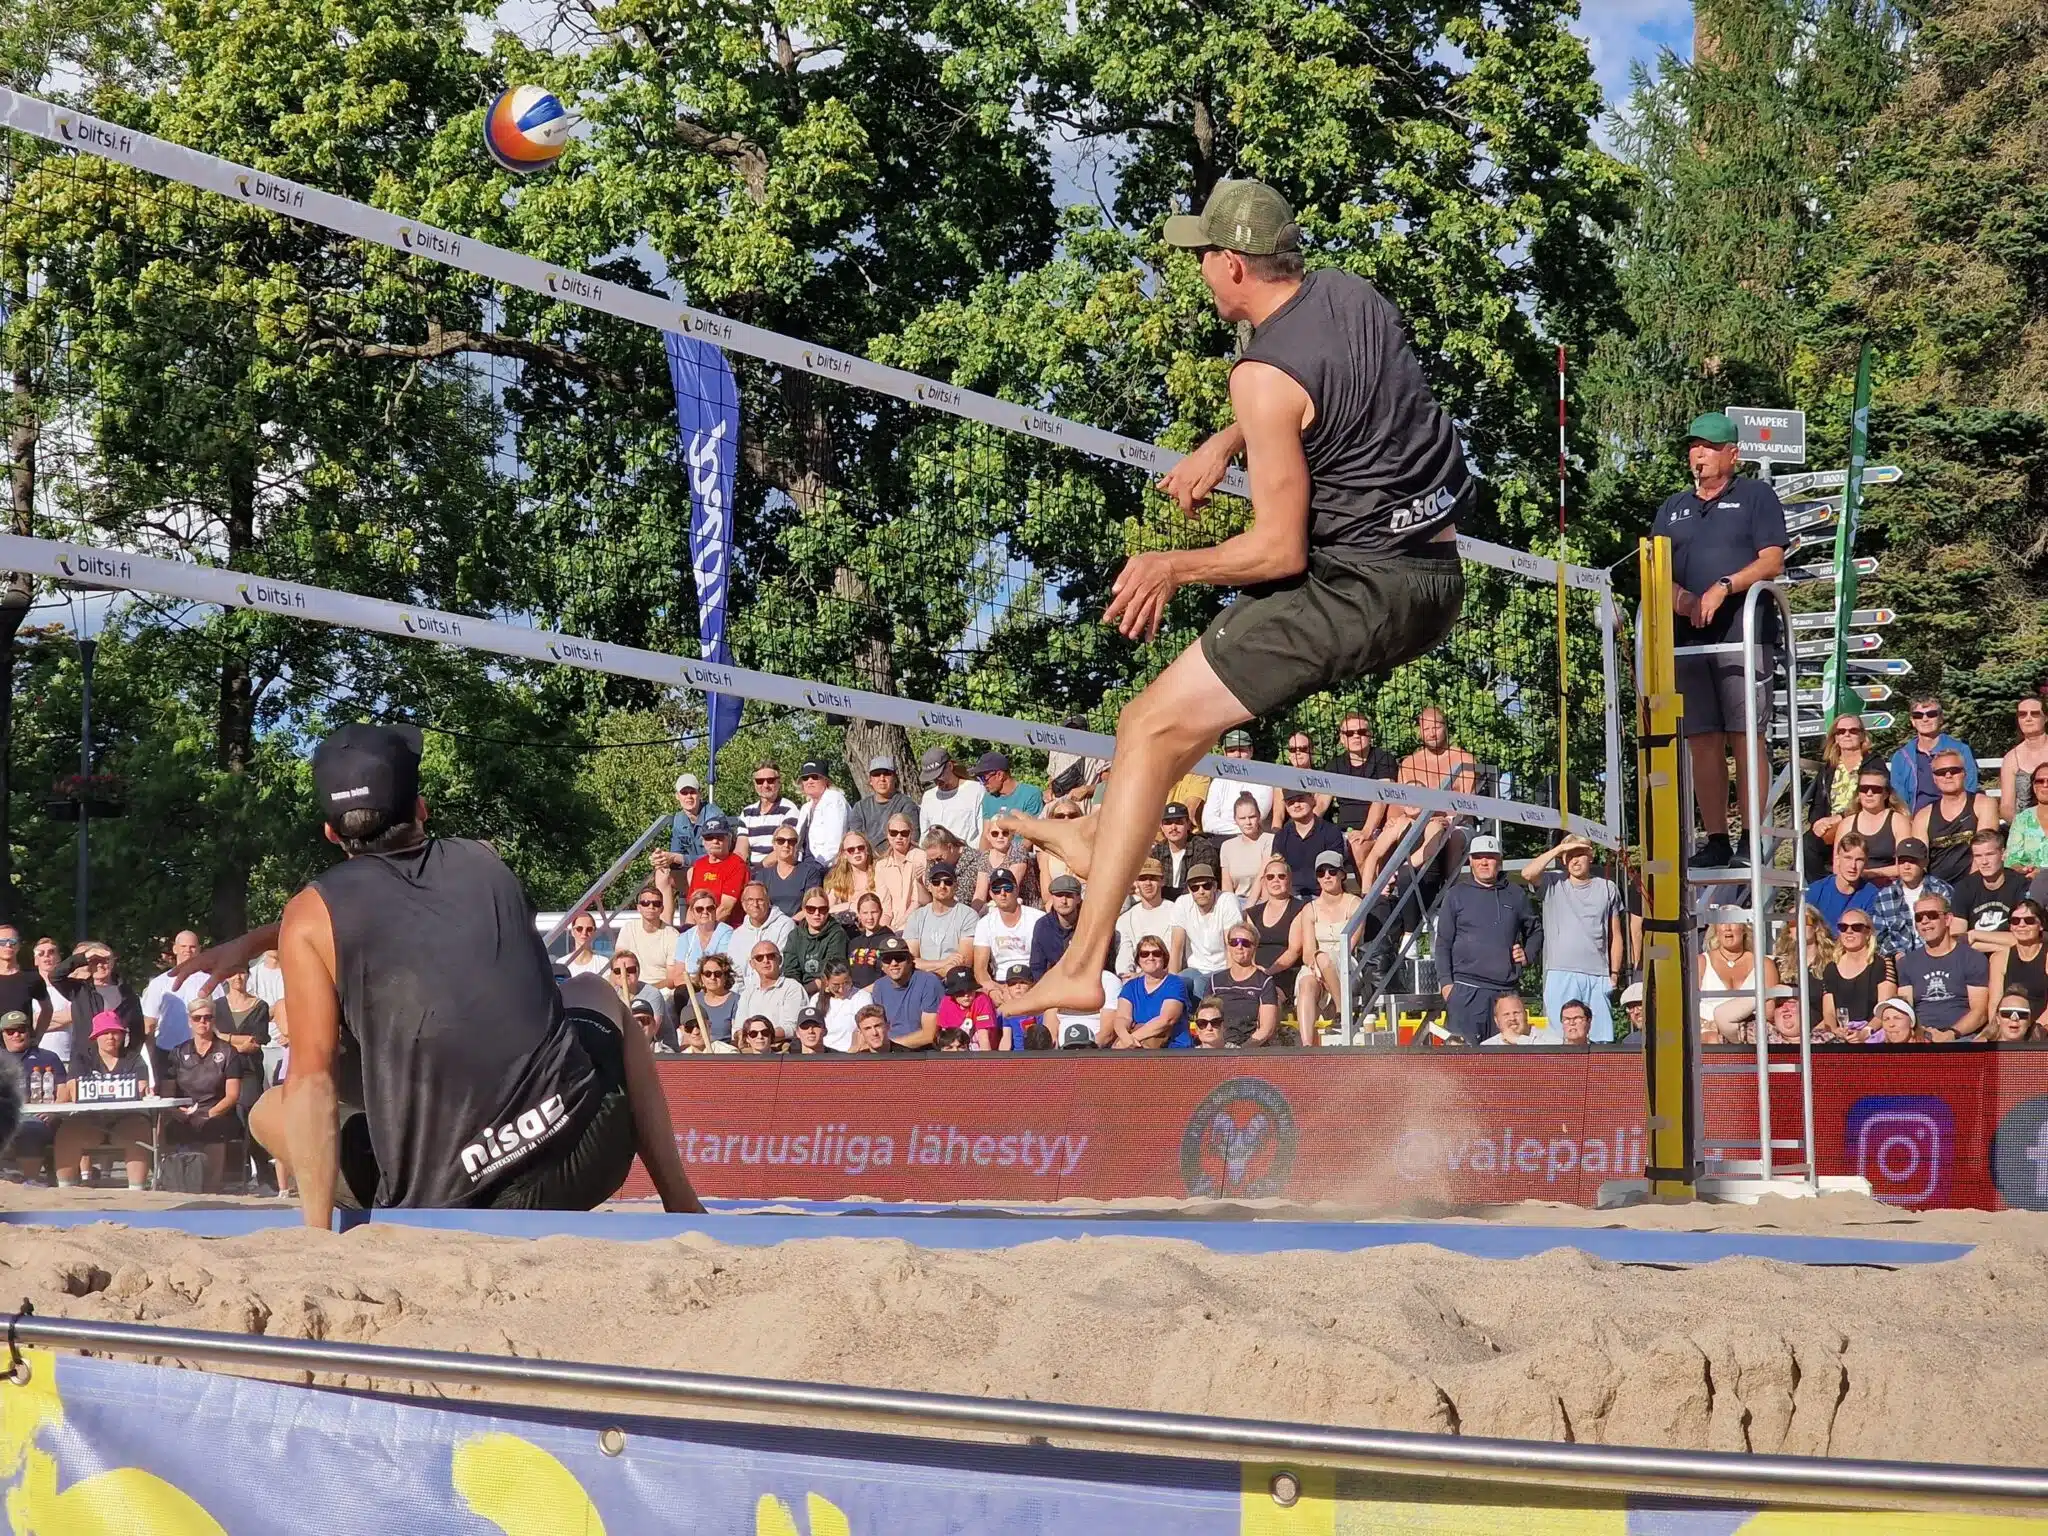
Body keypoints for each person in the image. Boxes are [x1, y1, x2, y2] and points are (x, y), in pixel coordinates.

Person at [992, 179, 1469, 1022]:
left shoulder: (1260, 373)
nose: (1199, 273)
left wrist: (1169, 565)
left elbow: (1276, 548)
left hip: (1359, 589)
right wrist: (1226, 438)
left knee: (1144, 720)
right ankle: (1103, 833)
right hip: (1435, 571)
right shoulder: (1350, 294)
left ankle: (1080, 960)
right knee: (1178, 723)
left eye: (1203, 258)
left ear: (1235, 264)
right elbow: (1317, 394)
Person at [180, 724, 701, 1224]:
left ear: (331, 833)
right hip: (582, 1158)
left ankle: (362, 1201)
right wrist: (259, 940)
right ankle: (681, 1201)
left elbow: (312, 1080)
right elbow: (403, 915)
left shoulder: (311, 914)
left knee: (272, 1108)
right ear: (421, 809)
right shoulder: (486, 862)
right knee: (593, 989)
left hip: (441, 1198)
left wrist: (318, 1237)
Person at [1652, 411, 1789, 869]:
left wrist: (1724, 586)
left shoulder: (1756, 496)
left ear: (1733, 453)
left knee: (1745, 734)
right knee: (1702, 739)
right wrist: (1683, 600)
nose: (1698, 454)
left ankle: (1752, 835)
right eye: (1694, 446)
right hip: (1688, 641)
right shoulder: (1672, 508)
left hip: (1742, 635)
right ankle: (1715, 837)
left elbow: (1772, 562)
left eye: (1708, 447)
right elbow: (1657, 573)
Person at [1435, 836, 1540, 1045]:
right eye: (1478, 857)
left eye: (1490, 858)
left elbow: (1536, 930)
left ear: (1499, 861)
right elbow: (1443, 943)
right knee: (1463, 1061)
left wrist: (1528, 954)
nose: (1484, 862)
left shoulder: (1515, 895)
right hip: (1466, 991)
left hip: (1505, 992)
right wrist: (1447, 984)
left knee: (1506, 1061)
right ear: (1470, 861)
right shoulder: (1456, 895)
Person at [1520, 834, 1623, 1042]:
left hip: (1597, 974)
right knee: (1560, 1039)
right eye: (1570, 856)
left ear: (1590, 857)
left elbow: (1616, 934)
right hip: (1560, 973)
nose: (1575, 860)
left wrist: (1613, 974)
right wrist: (1559, 849)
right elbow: (1527, 873)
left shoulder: (1607, 888)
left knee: (1601, 1040)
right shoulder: (1553, 882)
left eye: (1580, 854)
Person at [53, 1011, 151, 1189]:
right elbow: (74, 1091)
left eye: (115, 1032)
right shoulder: (82, 1058)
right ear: (96, 1036)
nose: (111, 1037)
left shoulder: (133, 1058)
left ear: (122, 1035)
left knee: (140, 1130)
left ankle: (138, 1190)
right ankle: (65, 1189)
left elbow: (142, 1087)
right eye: (105, 1032)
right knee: (67, 1131)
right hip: (90, 1119)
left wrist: (102, 1088)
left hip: (126, 1118)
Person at [162, 997, 243, 1190]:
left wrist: (210, 1113)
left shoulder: (228, 1052)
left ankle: (212, 1185)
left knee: (213, 1126)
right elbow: (167, 1091)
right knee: (165, 1126)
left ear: (214, 1020)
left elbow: (232, 1095)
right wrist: (175, 1111)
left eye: (207, 1017)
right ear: (189, 1020)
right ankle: (173, 1180)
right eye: (197, 1018)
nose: (202, 1022)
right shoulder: (178, 1052)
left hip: (216, 1110)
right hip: (183, 1109)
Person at [1895, 892, 1989, 1042]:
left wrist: (1950, 1034)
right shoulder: (1907, 963)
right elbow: (1906, 1009)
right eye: (1919, 917)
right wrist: (1918, 1034)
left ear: (1948, 919)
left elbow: (1980, 1013)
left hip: (1960, 1036)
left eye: (1931, 915)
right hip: (1920, 1036)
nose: (1924, 921)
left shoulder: (1972, 958)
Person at [1290, 851, 1362, 1041]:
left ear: (1342, 874)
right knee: (1306, 982)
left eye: (1332, 871)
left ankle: (1342, 1009)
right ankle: (1306, 1047)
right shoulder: (1309, 909)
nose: (1327, 876)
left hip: (1345, 964)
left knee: (1324, 957)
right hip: (1316, 965)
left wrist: (1323, 962)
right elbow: (1307, 952)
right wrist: (1318, 969)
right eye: (1321, 872)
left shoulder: (1355, 904)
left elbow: (1350, 946)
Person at [1324, 713, 1398, 873]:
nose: (1356, 736)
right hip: (1343, 833)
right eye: (1350, 733)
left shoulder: (1383, 759)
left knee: (1357, 846)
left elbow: (1381, 798)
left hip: (1377, 830)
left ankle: (1371, 896)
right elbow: (1321, 803)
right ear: (1342, 739)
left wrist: (1366, 831)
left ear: (1370, 735)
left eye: (1362, 732)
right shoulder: (1334, 765)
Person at [1805, 714, 1878, 874]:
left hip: (1862, 820)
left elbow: (1875, 798)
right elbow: (1818, 802)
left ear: (1861, 736)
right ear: (1835, 738)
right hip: (1831, 824)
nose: (1847, 734)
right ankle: (1822, 891)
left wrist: (1840, 818)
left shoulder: (1873, 764)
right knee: (1808, 842)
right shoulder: (1828, 768)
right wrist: (1817, 823)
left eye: (1853, 730)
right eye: (1841, 731)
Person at [1914, 748, 1997, 888]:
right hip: (1937, 888)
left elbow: (1985, 850)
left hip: (1977, 883)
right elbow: (1919, 861)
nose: (1948, 775)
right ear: (1934, 778)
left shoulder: (1984, 804)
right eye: (1941, 772)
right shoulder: (1923, 816)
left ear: (1964, 773)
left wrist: (1966, 889)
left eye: (1954, 770)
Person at [1889, 697, 1979, 816]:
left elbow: (1970, 786)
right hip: (1916, 819)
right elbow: (1899, 799)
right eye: (1918, 715)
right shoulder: (1901, 757)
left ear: (1940, 718)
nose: (1925, 719)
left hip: (1957, 816)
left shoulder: (1960, 750)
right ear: (1912, 721)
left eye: (1931, 714)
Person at [3, 1010, 63, 1180]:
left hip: (38, 1115)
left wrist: (55, 1111)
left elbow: (64, 1090)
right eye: (10, 1031)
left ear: (29, 1032)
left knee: (30, 1129)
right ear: (3, 1034)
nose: (16, 1035)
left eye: (21, 1030)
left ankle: (30, 1182)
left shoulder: (48, 1057)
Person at [1818, 908, 1894, 1043]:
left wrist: (1865, 1032)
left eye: (1856, 927)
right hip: (1842, 1037)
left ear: (1868, 932)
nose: (1849, 931)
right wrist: (1836, 1031)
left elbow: (1886, 1008)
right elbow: (1829, 1012)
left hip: (1874, 1035)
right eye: (1843, 927)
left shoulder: (1882, 963)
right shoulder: (1830, 968)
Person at [1169, 863, 1242, 999]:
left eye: (1206, 886)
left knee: (1201, 983)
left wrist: (1231, 980)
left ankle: (1203, 1018)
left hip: (1222, 968)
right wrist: (1169, 984)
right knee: (1177, 983)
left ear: (1215, 886)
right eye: (1195, 887)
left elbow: (1231, 944)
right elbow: (1176, 948)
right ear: (1189, 890)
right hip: (1195, 968)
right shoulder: (1182, 903)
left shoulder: (1227, 901)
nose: (1201, 891)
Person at [1869, 839, 1952, 957]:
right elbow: (1879, 937)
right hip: (1897, 961)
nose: (1906, 866)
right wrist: (1897, 953)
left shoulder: (1941, 890)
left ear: (1924, 862)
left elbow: (1951, 929)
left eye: (1912, 861)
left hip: (1938, 956)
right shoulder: (1885, 896)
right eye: (1902, 861)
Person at [1696, 920, 1780, 1034]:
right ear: (1716, 930)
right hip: (1707, 1033)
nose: (1727, 928)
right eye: (1722, 923)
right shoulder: (1700, 962)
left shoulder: (1764, 964)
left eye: (1733, 922)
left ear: (1744, 929)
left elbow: (1769, 1011)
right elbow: (1688, 1007)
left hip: (1750, 1033)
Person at [1104, 939, 1191, 1049]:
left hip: (1172, 1049)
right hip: (1134, 1046)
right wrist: (1125, 1037)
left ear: (1164, 957)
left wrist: (1131, 1040)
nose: (1150, 957)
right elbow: (1123, 1017)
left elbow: (1167, 1020)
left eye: (1156, 953)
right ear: (1138, 960)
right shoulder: (1130, 986)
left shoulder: (1175, 983)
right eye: (1144, 954)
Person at [1206, 923, 1282, 1046]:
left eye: (1246, 943)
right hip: (1218, 1047)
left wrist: (1241, 1051)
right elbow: (1206, 1019)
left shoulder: (1264, 982)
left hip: (1249, 1048)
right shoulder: (1215, 981)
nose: (1239, 946)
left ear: (1254, 947)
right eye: (1234, 942)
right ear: (1228, 946)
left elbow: (1266, 1029)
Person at [1246, 857, 1307, 1007]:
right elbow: (1249, 947)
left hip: (1285, 973)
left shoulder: (1300, 908)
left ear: (1289, 880)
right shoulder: (1253, 913)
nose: (1276, 880)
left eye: (1281, 876)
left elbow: (1295, 950)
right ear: (1264, 882)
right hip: (1256, 972)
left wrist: (1268, 971)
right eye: (1270, 877)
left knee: (1269, 998)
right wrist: (1253, 970)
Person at [142, 930, 216, 1052]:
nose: (188, 950)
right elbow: (149, 1022)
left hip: (202, 1052)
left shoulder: (210, 981)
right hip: (166, 1050)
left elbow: (221, 1016)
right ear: (175, 949)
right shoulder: (159, 983)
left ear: (198, 949)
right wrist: (149, 1054)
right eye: (183, 946)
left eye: (192, 947)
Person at [1951, 828, 2027, 946]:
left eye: (1990, 854)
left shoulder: (2020, 884)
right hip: (1974, 956)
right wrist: (1998, 947)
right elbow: (1957, 939)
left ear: (2003, 854)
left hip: (2012, 956)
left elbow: (2022, 937)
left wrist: (1975, 935)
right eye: (1978, 856)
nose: (1984, 862)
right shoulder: (1964, 887)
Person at [1271, 788, 1349, 901]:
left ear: (1312, 800)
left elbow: (1334, 873)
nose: (1296, 805)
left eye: (1301, 799)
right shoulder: (1281, 836)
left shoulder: (1331, 832)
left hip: (1325, 897)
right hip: (1291, 899)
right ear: (1286, 807)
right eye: (1291, 802)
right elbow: (1276, 870)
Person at [904, 862, 980, 978]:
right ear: (929, 886)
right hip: (922, 981)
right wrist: (943, 963)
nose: (942, 886)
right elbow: (910, 961)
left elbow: (964, 963)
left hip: (955, 981)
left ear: (956, 886)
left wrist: (927, 967)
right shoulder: (916, 917)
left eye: (948, 882)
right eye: (936, 882)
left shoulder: (968, 915)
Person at [1837, 770, 1913, 884]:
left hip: (1888, 885)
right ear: (1858, 793)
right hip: (1852, 884)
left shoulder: (1898, 821)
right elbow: (1837, 864)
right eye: (1864, 789)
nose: (1869, 793)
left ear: (1886, 794)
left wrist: (1868, 874)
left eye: (1876, 789)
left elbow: (1905, 866)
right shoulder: (1846, 824)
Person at [972, 870, 1045, 989]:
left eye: (1007, 888)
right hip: (1001, 982)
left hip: (1033, 981)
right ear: (991, 893)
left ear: (1016, 889)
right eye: (997, 889)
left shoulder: (1038, 918)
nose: (1002, 893)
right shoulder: (984, 923)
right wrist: (995, 991)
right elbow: (980, 971)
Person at [871, 936, 943, 1049]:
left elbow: (929, 1035)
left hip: (921, 1052)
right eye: (887, 959)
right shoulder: (879, 986)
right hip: (889, 1051)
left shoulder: (929, 982)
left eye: (899, 958)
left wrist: (892, 1047)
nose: (893, 963)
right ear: (882, 965)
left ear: (910, 961)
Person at [1198, 730, 1272, 836]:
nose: (1237, 755)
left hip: (1255, 840)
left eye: (1242, 750)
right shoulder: (1218, 781)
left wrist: (1224, 826)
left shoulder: (1263, 779)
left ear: (1251, 750)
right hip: (1222, 839)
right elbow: (1207, 823)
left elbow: (1257, 819)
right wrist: (1240, 830)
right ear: (1224, 753)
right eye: (1232, 750)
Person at [1112, 860, 1178, 979]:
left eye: (1153, 878)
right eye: (1142, 879)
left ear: (1162, 881)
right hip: (1135, 980)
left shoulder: (1176, 912)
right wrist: (1128, 976)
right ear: (1136, 883)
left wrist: (1145, 975)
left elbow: (1174, 955)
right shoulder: (1126, 919)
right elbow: (1124, 957)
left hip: (1167, 977)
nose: (1148, 883)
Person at [678, 817, 751, 923]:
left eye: (720, 837)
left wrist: (704, 930)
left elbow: (725, 909)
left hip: (727, 928)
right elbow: (692, 907)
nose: (715, 841)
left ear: (729, 839)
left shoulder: (737, 865)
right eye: (709, 837)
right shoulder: (699, 865)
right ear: (703, 841)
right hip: (702, 927)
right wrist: (688, 931)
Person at [1803, 832, 1879, 934]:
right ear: (1837, 859)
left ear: (1866, 863)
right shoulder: (1815, 892)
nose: (1853, 866)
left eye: (1859, 860)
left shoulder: (1872, 895)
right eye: (1848, 858)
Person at [736, 943, 808, 1042]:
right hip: (751, 1048)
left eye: (771, 956)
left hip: (782, 1049)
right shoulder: (747, 992)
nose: (765, 960)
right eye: (759, 958)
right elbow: (739, 1027)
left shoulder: (792, 988)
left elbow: (793, 1028)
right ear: (752, 964)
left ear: (780, 960)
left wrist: (763, 1036)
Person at [847, 755, 921, 852]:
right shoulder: (860, 807)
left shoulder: (906, 805)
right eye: (876, 774)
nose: (882, 778)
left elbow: (912, 839)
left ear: (895, 778)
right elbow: (855, 840)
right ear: (870, 780)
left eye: (887, 774)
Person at [782, 888, 850, 992]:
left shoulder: (837, 934)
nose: (817, 913)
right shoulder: (794, 935)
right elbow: (790, 971)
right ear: (804, 910)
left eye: (822, 909)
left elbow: (831, 972)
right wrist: (796, 993)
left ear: (828, 910)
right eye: (811, 909)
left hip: (827, 990)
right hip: (798, 990)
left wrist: (804, 991)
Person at [1029, 874, 1095, 980]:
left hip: (1086, 980)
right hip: (1054, 983)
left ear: (1078, 898)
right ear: (1052, 898)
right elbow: (1037, 967)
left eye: (1069, 896)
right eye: (1059, 895)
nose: (1064, 901)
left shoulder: (1090, 923)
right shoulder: (1043, 926)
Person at [613, 883, 680, 986]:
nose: (651, 906)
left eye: (656, 903)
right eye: (645, 903)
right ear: (639, 907)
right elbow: (618, 965)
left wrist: (647, 991)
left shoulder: (673, 935)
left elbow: (671, 980)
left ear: (662, 909)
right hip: (630, 987)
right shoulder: (628, 929)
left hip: (662, 991)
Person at [751, 822, 822, 917]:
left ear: (797, 845)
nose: (786, 845)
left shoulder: (809, 873)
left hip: (799, 925)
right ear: (774, 845)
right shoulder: (763, 875)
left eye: (791, 841)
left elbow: (812, 906)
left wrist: (789, 923)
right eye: (781, 841)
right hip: (770, 925)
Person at [918, 747, 984, 848]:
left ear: (950, 766)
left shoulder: (976, 790)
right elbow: (924, 835)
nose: (937, 781)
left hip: (966, 856)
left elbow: (982, 831)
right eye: (933, 779)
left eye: (940, 775)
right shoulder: (928, 797)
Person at [1151, 802, 1219, 900]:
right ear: (1161, 826)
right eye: (1168, 823)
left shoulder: (1202, 848)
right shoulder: (1157, 851)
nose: (1173, 827)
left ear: (1188, 824)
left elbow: (1200, 884)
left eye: (1179, 822)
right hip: (1163, 904)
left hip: (1194, 902)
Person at [1991, 899, 2048, 1015]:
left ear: (2041, 925)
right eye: (2015, 921)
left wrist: (2037, 1029)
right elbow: (1994, 1002)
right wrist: (1995, 1028)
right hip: (2007, 1024)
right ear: (2011, 927)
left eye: (2029, 920)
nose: (2021, 925)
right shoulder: (2000, 958)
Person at [873, 813, 928, 930]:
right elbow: (886, 907)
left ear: (911, 834)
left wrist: (898, 926)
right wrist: (883, 929)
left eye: (904, 833)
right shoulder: (881, 866)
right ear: (887, 835)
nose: (899, 837)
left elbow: (918, 902)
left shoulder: (920, 857)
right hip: (893, 925)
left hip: (918, 922)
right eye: (894, 833)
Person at [0, 924, 51, 1048]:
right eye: (2, 942)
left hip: (21, 1050)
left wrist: (36, 1037)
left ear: (18, 946)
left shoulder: (31, 978)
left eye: (12, 941)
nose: (8, 945)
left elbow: (47, 1009)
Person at [737, 761, 799, 864]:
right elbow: (740, 851)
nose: (765, 785)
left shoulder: (789, 810)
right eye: (760, 781)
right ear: (755, 784)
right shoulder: (747, 813)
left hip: (778, 870)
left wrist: (759, 870)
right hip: (753, 872)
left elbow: (784, 849)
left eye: (770, 780)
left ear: (779, 783)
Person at [604, 952, 673, 1043]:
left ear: (638, 971)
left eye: (630, 969)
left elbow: (651, 1032)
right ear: (612, 974)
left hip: (659, 1049)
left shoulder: (652, 994)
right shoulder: (612, 995)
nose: (624, 974)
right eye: (618, 971)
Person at [792, 761, 851, 867]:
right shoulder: (806, 808)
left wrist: (817, 866)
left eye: (814, 777)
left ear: (825, 780)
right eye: (805, 778)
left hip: (829, 866)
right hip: (807, 864)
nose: (809, 781)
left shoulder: (834, 799)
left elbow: (835, 843)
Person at [2001, 699, 2048, 829]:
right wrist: (2024, 826)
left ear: (2045, 718)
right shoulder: (2011, 758)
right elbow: (2006, 807)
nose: (2028, 718)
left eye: (2034, 714)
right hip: (2023, 826)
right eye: (2022, 714)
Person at [1217, 793, 1276, 898]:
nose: (1248, 822)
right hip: (1237, 901)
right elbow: (1227, 884)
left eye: (1252, 817)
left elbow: (1264, 877)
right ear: (1235, 820)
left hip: (1263, 900)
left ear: (1259, 816)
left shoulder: (1270, 840)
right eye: (1242, 818)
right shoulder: (1227, 846)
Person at [665, 773, 724, 874]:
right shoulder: (678, 819)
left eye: (692, 792)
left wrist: (681, 859)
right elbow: (676, 852)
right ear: (677, 796)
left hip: (718, 869)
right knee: (662, 873)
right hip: (693, 868)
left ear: (699, 794)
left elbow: (716, 855)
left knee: (692, 873)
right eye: (684, 793)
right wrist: (664, 859)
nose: (689, 796)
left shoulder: (713, 816)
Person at [1033, 800, 1089, 899]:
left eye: (1072, 815)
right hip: (1059, 907)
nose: (1066, 819)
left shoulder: (1092, 847)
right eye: (1060, 816)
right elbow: (1046, 895)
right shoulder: (1046, 850)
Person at [670, 890, 735, 975]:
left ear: (715, 910)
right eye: (699, 909)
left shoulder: (726, 932)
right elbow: (678, 974)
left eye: (710, 908)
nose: (705, 912)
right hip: (689, 986)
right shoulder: (684, 937)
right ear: (692, 913)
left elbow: (722, 968)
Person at [728, 881, 795, 964]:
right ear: (743, 905)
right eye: (750, 900)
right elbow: (733, 967)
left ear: (768, 902)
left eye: (760, 900)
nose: (755, 904)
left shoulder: (785, 925)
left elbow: (782, 963)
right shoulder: (737, 934)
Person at [30, 936, 73, 1059]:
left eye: (51, 952)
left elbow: (74, 1015)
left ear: (58, 958)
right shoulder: (29, 989)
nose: (46, 956)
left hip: (66, 1057)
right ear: (35, 960)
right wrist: (62, 1018)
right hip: (35, 1058)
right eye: (41, 953)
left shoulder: (69, 988)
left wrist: (40, 1020)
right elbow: (28, 1024)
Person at [937, 967, 1001, 1050]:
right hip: (957, 1049)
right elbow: (947, 1041)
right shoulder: (947, 1001)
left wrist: (985, 1062)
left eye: (970, 990)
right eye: (960, 992)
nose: (966, 995)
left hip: (981, 1052)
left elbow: (984, 1039)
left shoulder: (981, 999)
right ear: (952, 993)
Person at [815, 961, 874, 1052]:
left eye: (846, 983)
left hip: (852, 1054)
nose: (842, 989)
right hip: (823, 1055)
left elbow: (864, 1031)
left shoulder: (862, 997)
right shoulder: (816, 1000)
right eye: (836, 985)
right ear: (826, 982)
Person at [2005, 764, 2048, 882]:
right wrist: (2022, 869)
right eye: (2040, 781)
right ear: (2034, 787)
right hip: (2029, 882)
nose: (2045, 785)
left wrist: (2042, 873)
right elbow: (2012, 859)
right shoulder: (2022, 819)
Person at [822, 830, 879, 919]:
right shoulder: (837, 877)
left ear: (867, 849)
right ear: (844, 854)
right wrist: (850, 905)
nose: (856, 852)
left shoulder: (879, 871)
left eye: (860, 848)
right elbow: (827, 909)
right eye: (851, 850)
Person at [844, 893, 896, 988]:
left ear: (881, 912)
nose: (870, 917)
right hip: (854, 995)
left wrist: (865, 992)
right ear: (859, 914)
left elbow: (891, 975)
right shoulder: (854, 943)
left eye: (874, 912)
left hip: (877, 994)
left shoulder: (889, 940)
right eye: (865, 913)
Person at [975, 752, 1043, 822]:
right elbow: (987, 831)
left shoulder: (1031, 794)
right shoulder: (988, 797)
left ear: (999, 775)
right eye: (979, 779)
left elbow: (1033, 829)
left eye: (983, 778)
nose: (982, 783)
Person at [560, 912, 609, 978]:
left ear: (594, 932)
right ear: (572, 932)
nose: (584, 933)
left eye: (589, 929)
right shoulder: (562, 963)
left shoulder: (603, 963)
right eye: (579, 929)